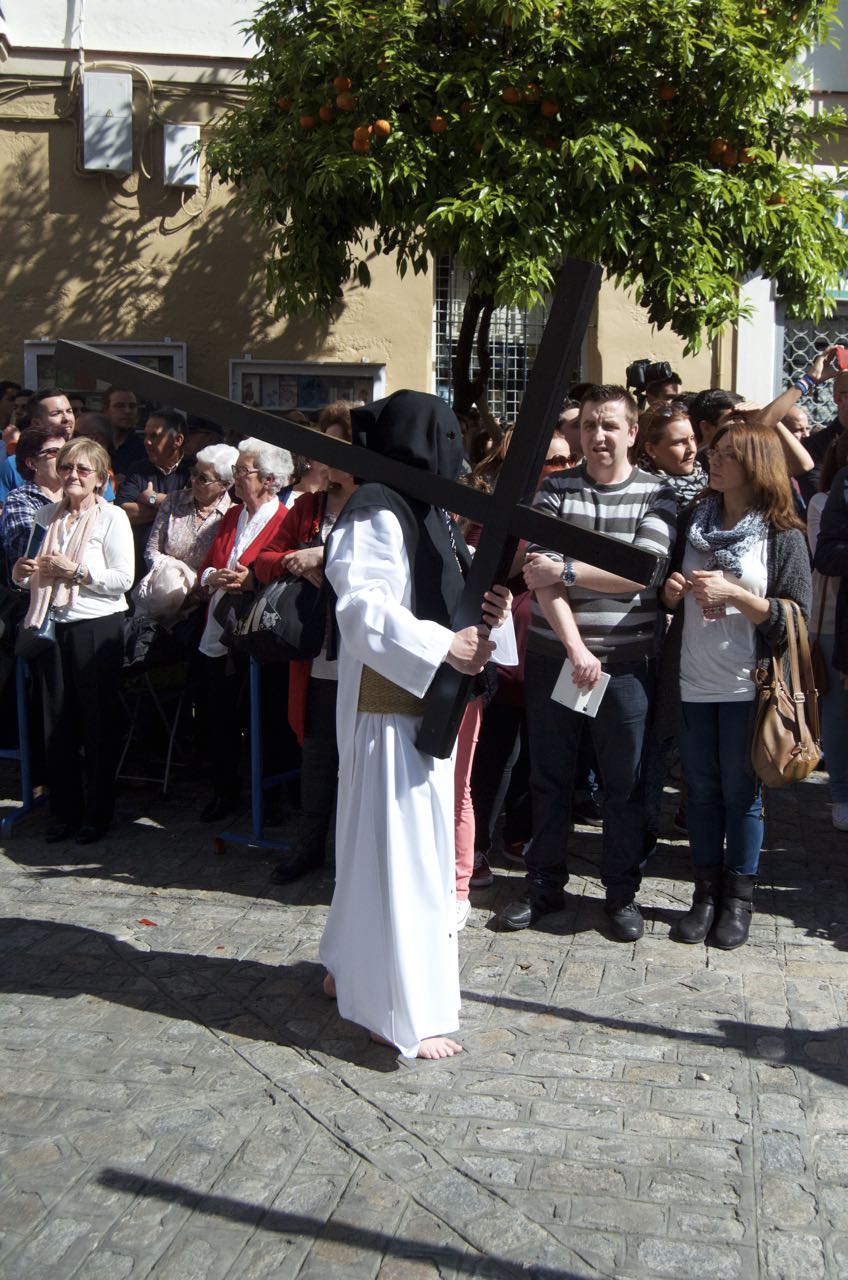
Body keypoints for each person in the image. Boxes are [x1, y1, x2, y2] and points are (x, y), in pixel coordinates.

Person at [319, 390, 511, 1060]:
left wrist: (484, 608)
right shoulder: (378, 506)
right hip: (389, 706)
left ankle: (350, 966)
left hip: (414, 705)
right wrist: (440, 648)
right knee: (397, 852)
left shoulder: (422, 508)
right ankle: (392, 1008)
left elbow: (441, 592)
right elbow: (363, 608)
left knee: (386, 846)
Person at [500, 384, 678, 942]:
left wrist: (570, 571)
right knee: (549, 778)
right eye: (589, 425)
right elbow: (536, 574)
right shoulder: (556, 489)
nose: (597, 436)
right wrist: (577, 649)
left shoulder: (658, 494)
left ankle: (621, 895)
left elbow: (641, 571)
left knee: (623, 786)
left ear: (631, 434)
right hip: (560, 658)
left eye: (609, 426)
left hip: (626, 666)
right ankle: (543, 886)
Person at [660, 421, 811, 949]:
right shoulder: (691, 519)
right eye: (713, 451)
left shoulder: (782, 533)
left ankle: (738, 900)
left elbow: (796, 618)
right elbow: (663, 592)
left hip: (752, 685)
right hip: (693, 680)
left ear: (755, 463)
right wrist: (672, 592)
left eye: (725, 454)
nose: (711, 459)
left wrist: (739, 595)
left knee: (740, 793)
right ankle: (704, 895)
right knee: (698, 791)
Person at [11, 438, 134, 844]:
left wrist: (77, 572)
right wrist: (22, 571)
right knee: (56, 724)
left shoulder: (111, 518)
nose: (73, 476)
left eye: (83, 470)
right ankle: (64, 812)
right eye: (67, 468)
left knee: (96, 722)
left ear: (100, 478)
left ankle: (97, 814)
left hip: (96, 627)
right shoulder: (47, 515)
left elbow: (123, 580)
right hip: (50, 624)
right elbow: (29, 575)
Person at [253, 414, 353, 882]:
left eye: (334, 447)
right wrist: (297, 561)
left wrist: (326, 556)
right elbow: (263, 559)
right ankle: (308, 846)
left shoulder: (380, 505)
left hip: (369, 658)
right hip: (318, 655)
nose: (321, 457)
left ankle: (350, 856)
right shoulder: (309, 507)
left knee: (361, 759)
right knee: (316, 755)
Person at [196, 437, 294, 821]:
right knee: (218, 715)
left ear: (269, 480)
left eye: (243, 471)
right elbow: (206, 565)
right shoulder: (232, 516)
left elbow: (284, 572)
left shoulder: (285, 520)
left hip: (260, 633)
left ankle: (269, 798)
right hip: (220, 629)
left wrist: (251, 578)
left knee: (266, 718)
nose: (236, 478)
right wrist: (213, 575)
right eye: (235, 470)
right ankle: (225, 791)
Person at [806, 434, 848, 831]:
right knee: (837, 714)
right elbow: (825, 556)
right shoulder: (824, 501)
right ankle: (841, 792)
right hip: (833, 619)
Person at [117, 409, 192, 579]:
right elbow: (123, 512)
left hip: (179, 574)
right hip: (139, 569)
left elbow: (195, 509)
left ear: (177, 440)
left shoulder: (194, 471)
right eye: (146, 435)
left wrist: (151, 498)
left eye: (155, 436)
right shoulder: (138, 469)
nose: (147, 442)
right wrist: (172, 510)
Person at [0, 425, 65, 580]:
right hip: (34, 594)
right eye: (55, 452)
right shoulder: (19, 499)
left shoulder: (80, 496)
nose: (65, 458)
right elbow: (32, 550)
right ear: (31, 463)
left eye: (67, 451)